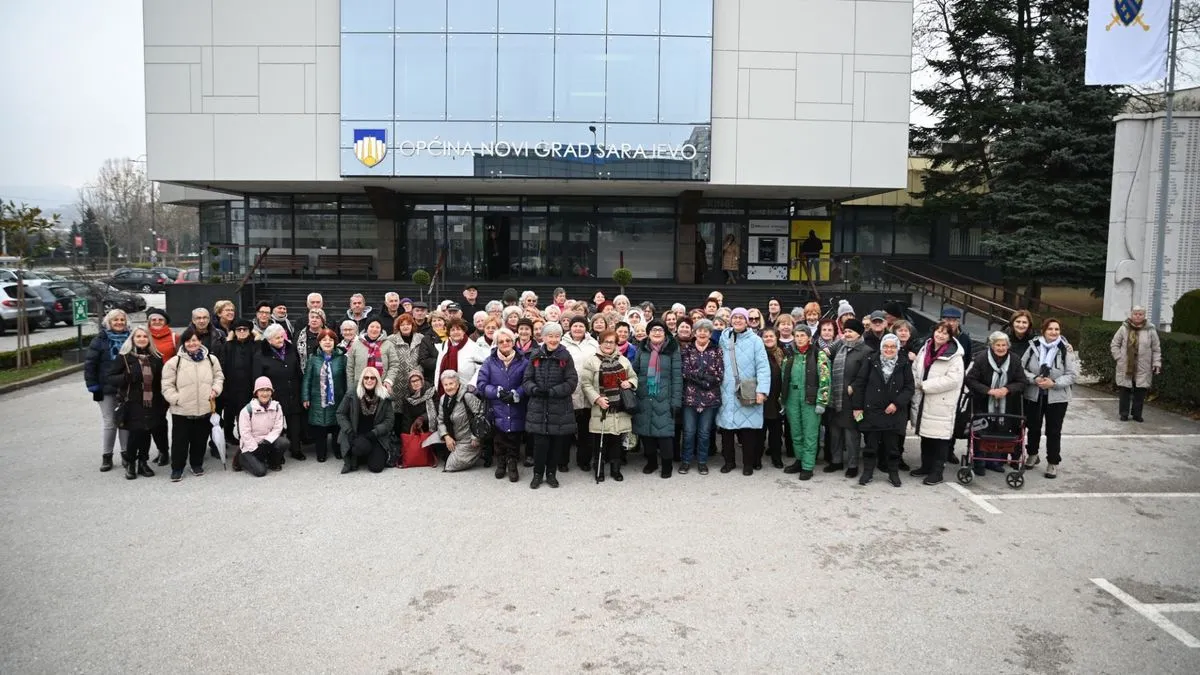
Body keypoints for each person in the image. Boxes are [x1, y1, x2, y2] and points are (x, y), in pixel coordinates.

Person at [161, 328, 225, 482]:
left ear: (200, 342)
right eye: (188, 341)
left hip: (204, 407)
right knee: (180, 441)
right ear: (184, 343)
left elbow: (219, 377)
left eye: (195, 340)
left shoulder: (211, 359)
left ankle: (196, 464)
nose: (192, 343)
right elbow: (167, 385)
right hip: (182, 410)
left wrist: (215, 390)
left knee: (200, 439)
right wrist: (176, 399)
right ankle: (177, 468)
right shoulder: (174, 362)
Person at [851, 334, 914, 487]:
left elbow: (909, 387)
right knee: (871, 446)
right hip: (872, 410)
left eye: (892, 346)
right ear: (881, 348)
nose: (889, 349)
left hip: (893, 412)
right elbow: (859, 384)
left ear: (897, 348)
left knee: (893, 447)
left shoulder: (904, 363)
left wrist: (896, 404)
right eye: (885, 346)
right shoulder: (871, 360)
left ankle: (893, 473)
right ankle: (868, 472)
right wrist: (857, 407)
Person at [522, 323, 578, 489]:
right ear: (543, 338)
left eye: (556, 336)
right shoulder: (535, 355)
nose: (553, 339)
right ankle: (538, 474)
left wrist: (553, 391)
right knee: (540, 444)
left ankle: (551, 473)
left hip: (559, 407)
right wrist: (534, 389)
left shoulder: (565, 356)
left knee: (555, 444)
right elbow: (526, 380)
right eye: (550, 336)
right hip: (538, 406)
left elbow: (572, 381)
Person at [964, 332, 1029, 476]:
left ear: (1008, 346)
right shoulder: (981, 358)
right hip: (983, 401)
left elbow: (1022, 382)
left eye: (1004, 345)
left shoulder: (1015, 360)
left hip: (1007, 403)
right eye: (997, 345)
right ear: (992, 346)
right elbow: (970, 380)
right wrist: (989, 391)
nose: (1001, 348)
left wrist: (1007, 389)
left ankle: (995, 461)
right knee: (982, 430)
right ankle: (979, 461)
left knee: (1001, 430)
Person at [106, 325, 166, 480]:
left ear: (149, 339)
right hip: (132, 402)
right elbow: (110, 378)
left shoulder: (156, 357)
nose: (142, 339)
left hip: (152, 402)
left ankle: (143, 462)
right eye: (138, 336)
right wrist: (126, 377)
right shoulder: (124, 357)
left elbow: (161, 381)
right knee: (135, 433)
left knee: (147, 432)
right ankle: (131, 462)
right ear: (132, 339)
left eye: (145, 336)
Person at [909, 321, 965, 485]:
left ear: (949, 337)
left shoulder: (954, 356)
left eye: (944, 333)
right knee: (925, 435)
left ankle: (937, 471)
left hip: (941, 401)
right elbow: (915, 368)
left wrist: (926, 386)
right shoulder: (925, 348)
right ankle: (925, 466)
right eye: (938, 331)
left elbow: (953, 380)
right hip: (923, 398)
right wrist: (916, 384)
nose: (940, 335)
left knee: (940, 438)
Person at [1022, 318, 1079, 479]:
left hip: (1057, 398)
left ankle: (1053, 462)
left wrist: (1053, 383)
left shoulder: (1065, 349)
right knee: (1033, 427)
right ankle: (1032, 454)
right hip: (1034, 394)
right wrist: (1034, 379)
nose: (1054, 332)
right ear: (1043, 331)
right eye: (1050, 329)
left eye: (1057, 329)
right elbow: (1021, 367)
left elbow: (1072, 374)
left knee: (1053, 430)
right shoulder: (1034, 346)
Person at [716, 308, 771, 475]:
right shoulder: (724, 338)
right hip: (725, 389)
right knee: (727, 430)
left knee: (748, 430)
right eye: (735, 317)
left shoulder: (755, 340)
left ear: (747, 321)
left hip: (748, 389)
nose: (738, 320)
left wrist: (762, 390)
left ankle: (748, 464)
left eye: (741, 318)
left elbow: (763, 366)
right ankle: (729, 461)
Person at [580, 330, 638, 482]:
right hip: (601, 408)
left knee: (616, 440)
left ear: (616, 344)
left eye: (611, 342)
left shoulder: (624, 360)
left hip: (619, 407)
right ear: (600, 342)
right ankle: (599, 467)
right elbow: (585, 384)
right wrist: (597, 398)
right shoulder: (591, 361)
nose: (608, 345)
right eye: (605, 341)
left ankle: (615, 468)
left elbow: (633, 376)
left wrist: (630, 383)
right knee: (600, 439)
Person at [476, 328, 530, 482]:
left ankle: (512, 463)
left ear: (513, 342)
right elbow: (481, 383)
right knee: (499, 438)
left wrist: (516, 393)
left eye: (508, 340)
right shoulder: (489, 361)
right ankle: (501, 463)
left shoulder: (524, 361)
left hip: (516, 406)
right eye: (501, 341)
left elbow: (527, 382)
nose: (505, 343)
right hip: (497, 406)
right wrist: (496, 392)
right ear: (496, 344)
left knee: (514, 437)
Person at [632, 320, 681, 478]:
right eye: (653, 330)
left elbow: (677, 377)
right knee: (646, 432)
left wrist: (676, 401)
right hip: (644, 395)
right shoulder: (642, 348)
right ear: (648, 332)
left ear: (665, 332)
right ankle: (651, 462)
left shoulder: (673, 349)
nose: (657, 333)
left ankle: (667, 465)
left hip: (664, 396)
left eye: (660, 330)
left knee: (665, 433)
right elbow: (635, 370)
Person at [781, 326, 832, 480]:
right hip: (792, 399)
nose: (799, 338)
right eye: (796, 335)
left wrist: (822, 402)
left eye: (803, 335)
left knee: (810, 434)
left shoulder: (819, 355)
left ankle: (808, 466)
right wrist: (783, 400)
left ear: (809, 338)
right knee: (796, 433)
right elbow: (784, 378)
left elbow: (825, 379)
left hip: (810, 398)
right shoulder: (789, 355)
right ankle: (799, 460)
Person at [85, 309, 131, 472]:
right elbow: (90, 365)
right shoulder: (100, 340)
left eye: (122, 320)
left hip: (126, 387)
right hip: (105, 389)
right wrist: (93, 387)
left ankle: (126, 454)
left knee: (124, 421)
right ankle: (107, 456)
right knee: (110, 422)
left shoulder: (132, 338)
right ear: (109, 323)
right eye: (115, 320)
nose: (119, 322)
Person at [253, 324, 305, 461]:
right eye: (277, 338)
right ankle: (277, 453)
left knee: (295, 424)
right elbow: (258, 378)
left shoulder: (291, 349)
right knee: (276, 426)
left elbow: (297, 370)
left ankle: (296, 449)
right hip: (274, 396)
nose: (281, 340)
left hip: (293, 392)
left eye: (282, 336)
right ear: (269, 340)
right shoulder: (260, 355)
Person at [828, 318, 872, 477]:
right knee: (835, 433)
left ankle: (853, 465)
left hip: (855, 400)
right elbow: (825, 353)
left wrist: (853, 386)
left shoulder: (866, 351)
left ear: (859, 333)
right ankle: (836, 461)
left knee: (852, 434)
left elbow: (865, 375)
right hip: (836, 397)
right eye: (845, 331)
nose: (847, 334)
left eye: (851, 331)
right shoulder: (840, 346)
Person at [680, 319, 723, 475]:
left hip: (710, 398)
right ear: (695, 332)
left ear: (710, 334)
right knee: (689, 432)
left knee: (704, 432)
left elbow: (719, 374)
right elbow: (685, 372)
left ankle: (702, 462)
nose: (702, 332)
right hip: (690, 398)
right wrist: (704, 379)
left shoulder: (717, 350)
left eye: (706, 330)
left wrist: (700, 379)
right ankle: (685, 461)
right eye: (699, 330)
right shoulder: (687, 350)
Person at [336, 366, 395, 474]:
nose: (369, 380)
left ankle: (367, 455)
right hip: (356, 434)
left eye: (373, 378)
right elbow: (340, 413)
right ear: (362, 379)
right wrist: (349, 430)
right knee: (360, 447)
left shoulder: (384, 396)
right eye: (366, 377)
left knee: (376, 468)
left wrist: (375, 432)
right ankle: (357, 455)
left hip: (376, 436)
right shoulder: (352, 393)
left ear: (377, 380)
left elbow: (389, 421)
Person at [302, 328, 348, 463]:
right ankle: (321, 452)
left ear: (335, 342)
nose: (327, 342)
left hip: (338, 398)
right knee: (319, 427)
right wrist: (305, 397)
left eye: (330, 339)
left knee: (336, 426)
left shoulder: (342, 359)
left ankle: (337, 449)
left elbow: (346, 380)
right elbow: (307, 379)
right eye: (324, 340)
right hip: (318, 398)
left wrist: (347, 398)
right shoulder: (313, 359)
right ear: (319, 342)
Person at [1110, 306, 1161, 423]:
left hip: (1143, 366)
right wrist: (1119, 358)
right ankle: (1124, 413)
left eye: (1140, 314)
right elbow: (1114, 344)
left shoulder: (1150, 330)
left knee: (1140, 391)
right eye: (1135, 314)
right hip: (1126, 365)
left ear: (1144, 316)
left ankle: (1137, 414)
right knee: (1125, 389)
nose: (1138, 316)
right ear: (1131, 315)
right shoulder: (1124, 328)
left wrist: (1156, 363)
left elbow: (1156, 348)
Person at [562, 316, 599, 472]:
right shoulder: (562, 345)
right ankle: (562, 461)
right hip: (569, 393)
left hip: (588, 393)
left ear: (586, 328)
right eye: (575, 326)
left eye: (581, 326)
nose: (578, 329)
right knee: (565, 430)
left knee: (586, 431)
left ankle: (584, 460)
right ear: (570, 327)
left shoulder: (593, 344)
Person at [429, 370, 484, 472]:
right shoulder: (443, 399)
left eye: (451, 383)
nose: (449, 387)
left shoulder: (467, 396)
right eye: (445, 384)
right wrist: (446, 436)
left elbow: (481, 415)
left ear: (458, 383)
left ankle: (478, 452)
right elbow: (440, 420)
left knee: (450, 466)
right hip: (452, 436)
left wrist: (476, 437)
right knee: (427, 443)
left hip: (468, 440)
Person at [215, 318, 257, 446]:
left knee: (245, 415)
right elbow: (222, 365)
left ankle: (244, 438)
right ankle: (228, 436)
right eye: (239, 330)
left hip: (248, 386)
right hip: (230, 385)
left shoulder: (255, 345)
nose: (242, 331)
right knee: (229, 414)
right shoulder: (228, 346)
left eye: (245, 329)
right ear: (234, 332)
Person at [237, 377, 289, 476]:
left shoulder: (277, 407)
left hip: (267, 442)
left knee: (284, 442)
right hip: (251, 445)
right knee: (260, 472)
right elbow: (245, 433)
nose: (265, 394)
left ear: (271, 392)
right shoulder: (247, 410)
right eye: (261, 390)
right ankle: (242, 458)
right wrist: (255, 449)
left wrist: (267, 441)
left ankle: (272, 462)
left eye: (268, 390)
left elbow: (278, 427)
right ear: (256, 393)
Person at [347, 317, 398, 397]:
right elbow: (350, 368)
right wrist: (351, 387)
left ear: (381, 330)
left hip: (382, 386)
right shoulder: (356, 345)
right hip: (360, 386)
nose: (374, 329)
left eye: (377, 327)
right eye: (372, 326)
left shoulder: (388, 344)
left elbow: (394, 365)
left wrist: (388, 380)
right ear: (367, 328)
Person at [760, 328, 787, 470]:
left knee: (776, 432)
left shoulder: (783, 353)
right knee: (760, 431)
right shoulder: (758, 353)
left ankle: (776, 458)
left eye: (771, 336)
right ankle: (756, 458)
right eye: (766, 336)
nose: (769, 338)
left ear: (776, 338)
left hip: (777, 397)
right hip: (762, 397)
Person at [433, 318, 482, 396]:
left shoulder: (473, 347)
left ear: (463, 331)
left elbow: (480, 368)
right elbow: (438, 368)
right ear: (449, 332)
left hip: (467, 392)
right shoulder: (444, 345)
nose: (456, 332)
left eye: (458, 329)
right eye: (452, 330)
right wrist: (436, 386)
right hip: (447, 391)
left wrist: (472, 385)